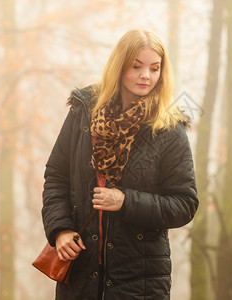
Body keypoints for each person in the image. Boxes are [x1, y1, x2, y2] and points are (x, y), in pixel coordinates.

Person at [41, 29, 198, 299]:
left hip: (141, 282)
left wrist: (126, 201)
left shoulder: (169, 129)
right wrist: (61, 230)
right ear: (119, 66)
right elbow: (57, 177)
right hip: (80, 275)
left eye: (154, 68)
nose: (146, 76)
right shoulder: (83, 113)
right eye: (136, 66)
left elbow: (184, 204)